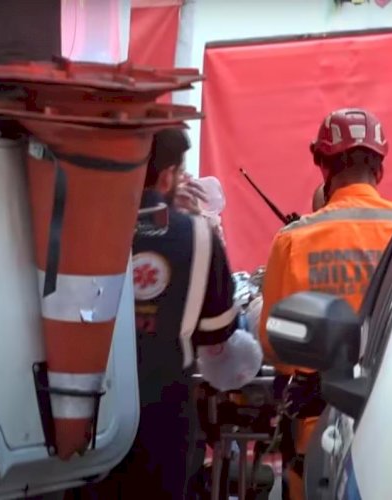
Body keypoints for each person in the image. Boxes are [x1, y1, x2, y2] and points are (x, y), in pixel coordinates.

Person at [258, 108, 392, 500]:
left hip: (319, 432)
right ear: (380, 167)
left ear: (324, 167)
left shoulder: (293, 239)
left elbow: (274, 347)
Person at [112, 128, 262, 500]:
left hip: (96, 403)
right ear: (167, 176)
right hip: (166, 404)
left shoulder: (95, 223)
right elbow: (217, 333)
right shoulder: (198, 233)